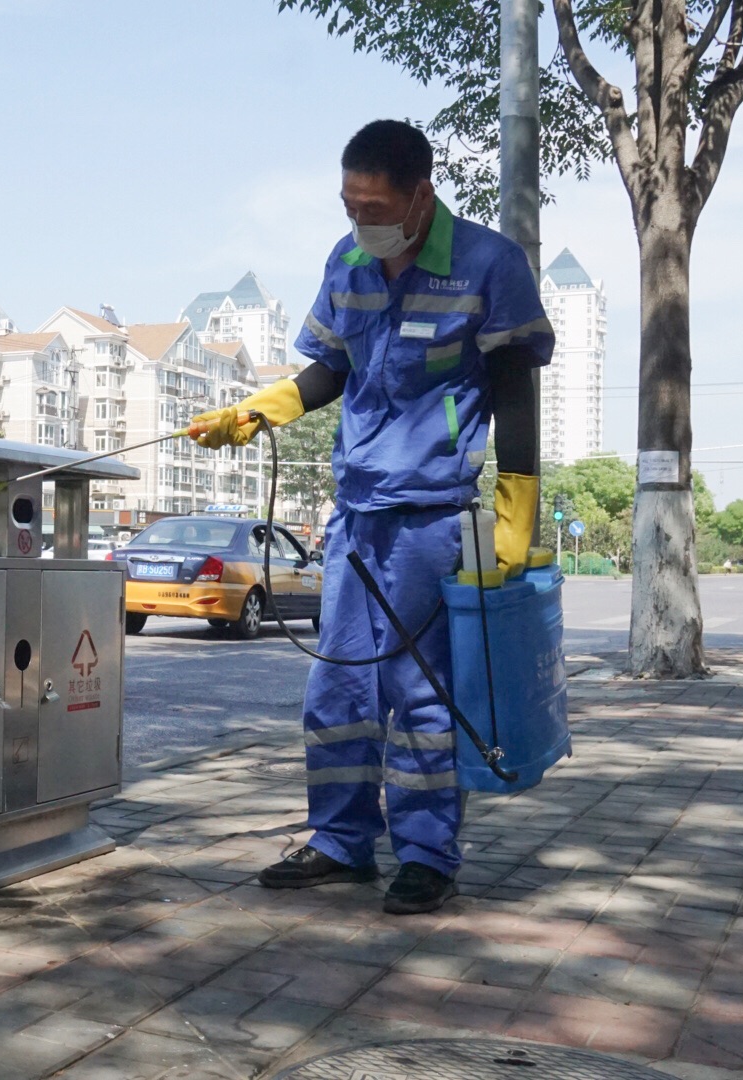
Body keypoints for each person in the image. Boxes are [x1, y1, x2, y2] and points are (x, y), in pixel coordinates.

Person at [189, 120, 552, 915]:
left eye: (376, 207)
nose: (361, 221)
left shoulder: (489, 264)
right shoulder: (347, 261)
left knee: (420, 690)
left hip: (431, 517)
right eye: (349, 205)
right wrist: (259, 411)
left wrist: (517, 506)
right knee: (338, 687)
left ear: (421, 196)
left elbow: (514, 389)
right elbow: (331, 367)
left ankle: (426, 853)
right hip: (356, 516)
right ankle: (340, 840)